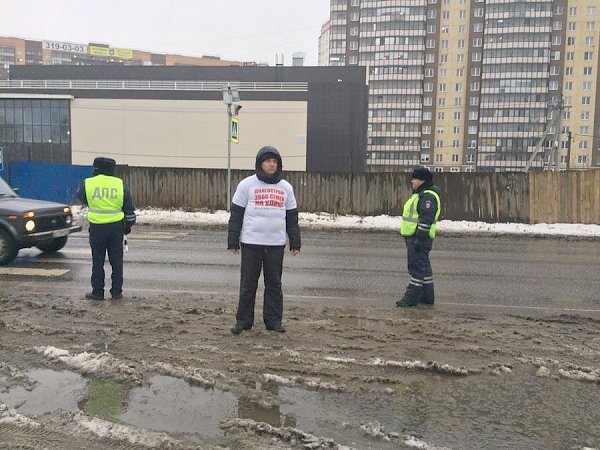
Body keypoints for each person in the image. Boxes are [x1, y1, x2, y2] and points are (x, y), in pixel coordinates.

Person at [227, 146, 301, 334]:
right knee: (248, 284)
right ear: (260, 163)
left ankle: (273, 321)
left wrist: (295, 242)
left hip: (275, 244)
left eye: (275, 161)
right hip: (251, 243)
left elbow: (292, 217)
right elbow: (236, 214)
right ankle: (243, 321)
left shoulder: (286, 188)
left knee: (274, 285)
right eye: (268, 161)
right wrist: (233, 241)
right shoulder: (247, 185)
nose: (271, 164)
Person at [77, 157, 136, 301]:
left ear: (96, 169)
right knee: (116, 262)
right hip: (116, 228)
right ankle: (116, 293)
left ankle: (97, 292)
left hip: (97, 228)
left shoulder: (88, 183)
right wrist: (127, 226)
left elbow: (82, 198)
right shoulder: (120, 184)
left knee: (97, 261)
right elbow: (129, 209)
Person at [397, 167, 441, 307]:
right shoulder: (421, 194)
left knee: (416, 268)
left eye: (414, 178)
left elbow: (426, 219)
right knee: (424, 268)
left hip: (418, 238)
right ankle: (427, 296)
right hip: (416, 237)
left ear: (422, 180)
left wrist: (419, 239)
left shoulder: (427, 196)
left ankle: (411, 298)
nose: (412, 181)